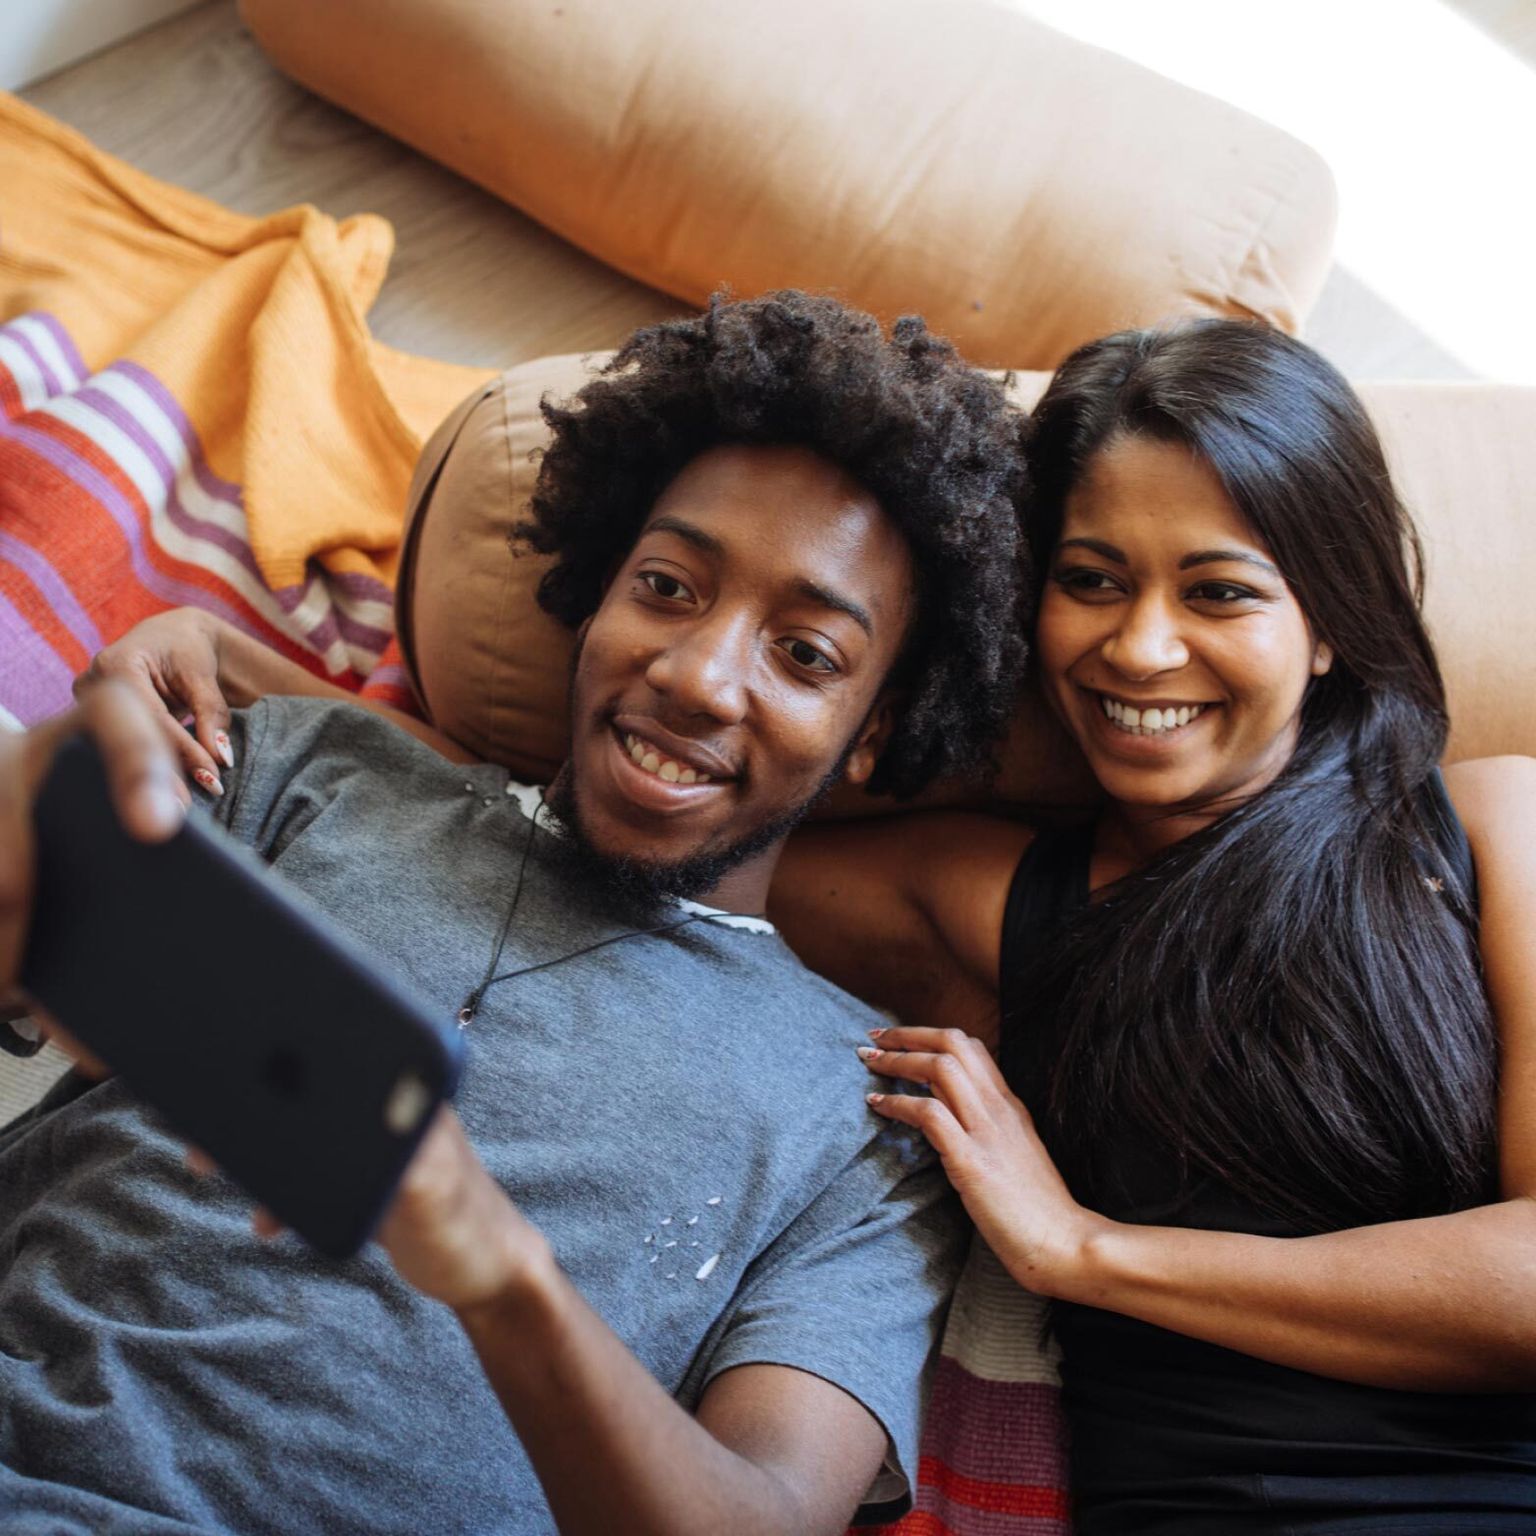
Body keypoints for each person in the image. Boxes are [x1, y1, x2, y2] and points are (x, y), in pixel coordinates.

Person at [0, 291, 1031, 1535]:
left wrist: (498, 1273)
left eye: (806, 655)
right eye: (666, 586)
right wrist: (29, 810)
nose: (699, 676)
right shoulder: (306, 771)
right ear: (596, 594)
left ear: (877, 736)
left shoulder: (864, 1122)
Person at [773, 321, 1536, 1533]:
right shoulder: (991, 902)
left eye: (1220, 590)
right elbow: (694, 827)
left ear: (1329, 620)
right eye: (1090, 580)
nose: (1139, 646)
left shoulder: (1496, 830)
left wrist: (1083, 1252)